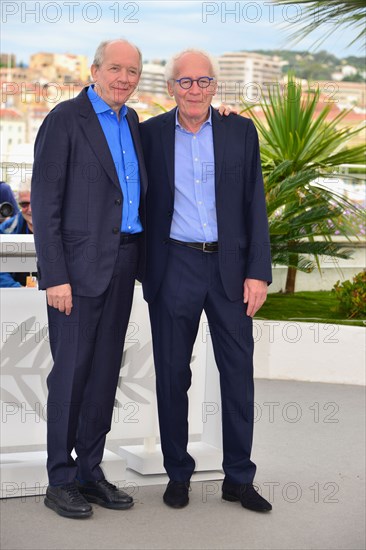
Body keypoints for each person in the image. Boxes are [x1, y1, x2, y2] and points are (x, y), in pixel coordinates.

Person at [140, 49, 272, 512]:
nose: (195, 90)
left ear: (216, 86)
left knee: (237, 374)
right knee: (173, 376)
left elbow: (255, 202)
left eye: (204, 82)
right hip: (173, 266)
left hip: (231, 271)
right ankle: (178, 471)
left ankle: (238, 477)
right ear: (170, 87)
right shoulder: (149, 134)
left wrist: (259, 271)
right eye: (185, 82)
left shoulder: (239, 130)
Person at [31, 39, 147, 519]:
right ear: (95, 70)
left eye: (133, 71)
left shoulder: (134, 121)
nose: (124, 78)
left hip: (124, 265)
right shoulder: (65, 119)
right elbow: (44, 201)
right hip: (75, 276)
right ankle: (59, 479)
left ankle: (90, 472)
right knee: (71, 375)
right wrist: (54, 275)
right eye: (115, 69)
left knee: (103, 376)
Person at [0, 179, 35, 288]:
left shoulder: (62, 229)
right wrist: (17, 289)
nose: (30, 209)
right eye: (24, 204)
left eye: (35, 202)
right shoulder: (6, 229)